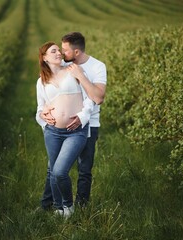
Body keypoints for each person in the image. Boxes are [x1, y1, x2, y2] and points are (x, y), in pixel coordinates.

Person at [40, 32, 107, 209]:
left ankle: (82, 206)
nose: (61, 54)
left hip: (89, 123)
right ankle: (49, 204)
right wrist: (44, 113)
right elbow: (49, 85)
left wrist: (81, 76)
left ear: (76, 52)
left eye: (65, 50)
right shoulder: (64, 65)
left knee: (84, 169)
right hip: (59, 129)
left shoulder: (97, 67)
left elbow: (98, 98)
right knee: (53, 169)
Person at [35, 41, 95, 218]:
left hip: (76, 131)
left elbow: (89, 98)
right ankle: (59, 208)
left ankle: (68, 207)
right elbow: (40, 108)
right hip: (53, 132)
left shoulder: (73, 70)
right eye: (53, 51)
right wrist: (44, 120)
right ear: (44, 58)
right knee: (54, 172)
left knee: (60, 171)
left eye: (59, 50)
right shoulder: (42, 81)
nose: (58, 53)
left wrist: (83, 117)